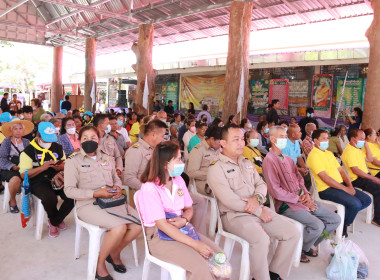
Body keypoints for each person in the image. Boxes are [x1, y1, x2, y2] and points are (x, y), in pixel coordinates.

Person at [207, 124, 300, 280]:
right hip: (234, 216)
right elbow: (229, 200)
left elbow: (262, 185)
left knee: (292, 233)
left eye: (242, 139)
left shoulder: (246, 162)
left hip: (258, 209)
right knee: (261, 239)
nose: (241, 143)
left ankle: (275, 274)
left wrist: (257, 199)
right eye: (235, 139)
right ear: (223, 143)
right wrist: (258, 211)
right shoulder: (216, 168)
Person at [137, 141, 224, 280]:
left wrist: (184, 220)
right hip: (160, 237)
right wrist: (196, 245)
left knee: (219, 258)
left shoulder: (178, 180)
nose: (182, 161)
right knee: (200, 265)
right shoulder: (150, 188)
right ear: (165, 164)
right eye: (178, 159)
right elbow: (162, 225)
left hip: (182, 230)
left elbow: (189, 208)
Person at [64, 126, 141, 280]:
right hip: (88, 204)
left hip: (111, 200)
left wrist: (118, 186)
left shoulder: (105, 157)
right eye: (85, 138)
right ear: (79, 141)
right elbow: (69, 191)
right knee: (119, 227)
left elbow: (115, 177)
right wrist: (95, 193)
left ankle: (113, 253)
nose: (89, 141)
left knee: (138, 225)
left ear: (99, 140)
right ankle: (100, 264)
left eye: (93, 138)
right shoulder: (73, 162)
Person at [263, 126, 340, 263]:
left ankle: (306, 245)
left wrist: (306, 195)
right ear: (273, 139)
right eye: (281, 136)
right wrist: (298, 198)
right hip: (286, 205)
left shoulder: (287, 158)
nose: (285, 139)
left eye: (285, 136)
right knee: (317, 225)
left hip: (302, 200)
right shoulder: (269, 160)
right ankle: (300, 249)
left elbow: (299, 179)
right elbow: (275, 190)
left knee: (335, 219)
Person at [124, 119, 208, 235]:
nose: (164, 139)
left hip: (168, 187)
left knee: (199, 201)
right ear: (153, 135)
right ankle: (180, 235)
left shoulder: (159, 150)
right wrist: (153, 188)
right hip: (152, 194)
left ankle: (193, 233)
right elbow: (128, 178)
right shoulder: (136, 151)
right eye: (162, 136)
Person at [307, 129, 372, 237]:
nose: (326, 141)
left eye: (327, 138)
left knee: (366, 200)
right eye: (323, 138)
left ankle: (336, 218)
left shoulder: (328, 153)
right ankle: (342, 225)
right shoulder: (314, 155)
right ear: (315, 140)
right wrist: (345, 189)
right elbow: (325, 178)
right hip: (326, 189)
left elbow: (342, 171)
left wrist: (349, 186)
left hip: (339, 185)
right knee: (355, 204)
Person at [19, 122, 74, 237]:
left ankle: (54, 221)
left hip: (57, 178)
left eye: (51, 139)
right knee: (50, 198)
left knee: (72, 195)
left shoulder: (58, 147)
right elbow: (24, 175)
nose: (49, 142)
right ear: (37, 136)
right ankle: (55, 221)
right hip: (38, 181)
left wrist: (59, 166)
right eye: (45, 139)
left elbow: (65, 164)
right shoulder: (28, 151)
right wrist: (42, 167)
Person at [341, 129, 380, 226]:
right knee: (379, 190)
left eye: (364, 139)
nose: (364, 141)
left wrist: (366, 145)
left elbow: (370, 159)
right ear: (353, 139)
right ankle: (377, 219)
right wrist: (373, 178)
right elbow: (356, 171)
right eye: (362, 139)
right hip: (356, 179)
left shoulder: (357, 149)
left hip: (364, 176)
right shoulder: (349, 151)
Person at [0, 118, 33, 213]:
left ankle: (31, 201)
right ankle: (12, 200)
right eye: (15, 129)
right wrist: (12, 166)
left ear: (23, 130)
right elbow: (1, 159)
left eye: (20, 128)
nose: (18, 131)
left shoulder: (27, 142)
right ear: (11, 130)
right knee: (15, 179)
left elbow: (31, 156)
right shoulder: (6, 142)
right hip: (9, 168)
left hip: (24, 167)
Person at [187, 125, 221, 196]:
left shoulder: (219, 149)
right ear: (212, 139)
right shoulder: (198, 150)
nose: (221, 145)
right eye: (219, 142)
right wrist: (211, 174)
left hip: (219, 181)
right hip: (204, 183)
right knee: (226, 193)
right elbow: (191, 173)